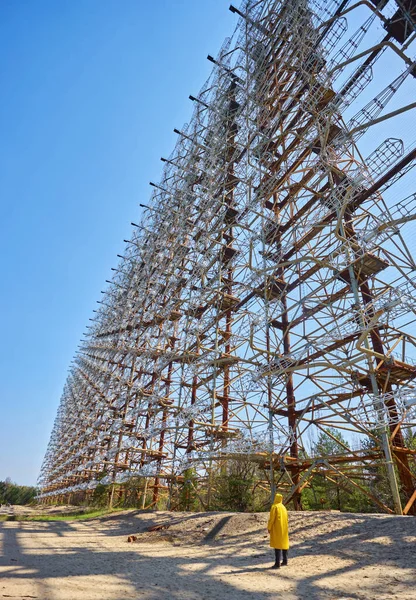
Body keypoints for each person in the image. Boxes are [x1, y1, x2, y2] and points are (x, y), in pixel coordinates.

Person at [267, 492, 289, 569]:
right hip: (284, 528)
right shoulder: (283, 507)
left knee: (277, 545)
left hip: (277, 528)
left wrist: (269, 527)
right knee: (284, 544)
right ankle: (285, 561)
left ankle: (277, 563)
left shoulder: (274, 507)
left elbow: (272, 519)